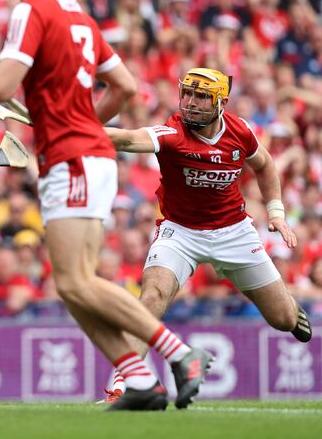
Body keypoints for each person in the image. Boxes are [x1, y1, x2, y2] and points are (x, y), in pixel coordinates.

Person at [0, 0, 213, 411]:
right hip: (87, 154)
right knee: (73, 285)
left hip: (73, 159)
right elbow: (124, 87)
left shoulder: (31, 9)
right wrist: (86, 123)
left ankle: (179, 353)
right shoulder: (79, 12)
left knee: (76, 282)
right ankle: (139, 379)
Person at [103, 67, 312, 399]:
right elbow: (127, 138)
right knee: (153, 295)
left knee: (283, 319)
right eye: (187, 93)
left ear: (221, 103)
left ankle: (290, 308)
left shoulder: (241, 131)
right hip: (179, 232)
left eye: (201, 96)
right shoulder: (171, 132)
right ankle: (123, 382)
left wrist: (276, 213)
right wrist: (74, 129)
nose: (191, 102)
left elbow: (266, 165)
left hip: (234, 232)